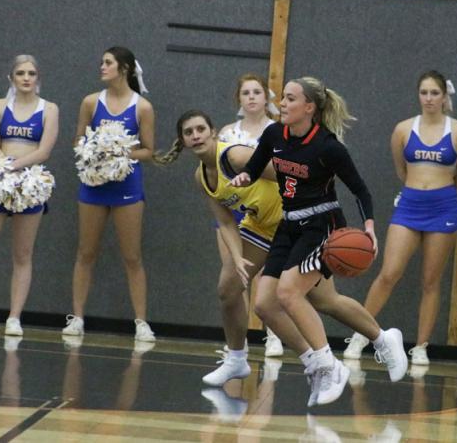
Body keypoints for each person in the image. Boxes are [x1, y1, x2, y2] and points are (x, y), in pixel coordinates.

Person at [156, 108, 406, 406]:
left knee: (323, 300)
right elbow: (225, 221)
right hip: (260, 228)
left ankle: (378, 339)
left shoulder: (235, 157)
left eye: (200, 129)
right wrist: (236, 258)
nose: (195, 136)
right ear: (183, 141)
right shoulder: (202, 177)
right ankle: (239, 359)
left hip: (295, 224)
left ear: (213, 132)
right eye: (188, 133)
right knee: (229, 288)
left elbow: (288, 170)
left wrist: (310, 215)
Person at [230, 76, 408, 405]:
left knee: (288, 292)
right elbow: (255, 168)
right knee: (268, 304)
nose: (282, 103)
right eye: (282, 98)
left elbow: (360, 189)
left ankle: (329, 365)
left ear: (309, 107)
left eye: (290, 99)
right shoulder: (273, 135)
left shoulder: (327, 146)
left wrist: (369, 226)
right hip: (290, 224)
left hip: (322, 224)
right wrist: (244, 176)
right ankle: (380, 340)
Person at [343, 70, 457, 366]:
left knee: (431, 280)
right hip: (410, 205)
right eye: (424, 92)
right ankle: (361, 336)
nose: (429, 98)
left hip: (443, 207)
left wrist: (445, 194)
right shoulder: (403, 129)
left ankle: (421, 347)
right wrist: (417, 188)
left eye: (434, 93)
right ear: (419, 95)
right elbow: (401, 169)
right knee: (389, 273)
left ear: (444, 96)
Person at [62, 46, 155, 342]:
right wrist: (94, 150)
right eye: (102, 62)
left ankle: (141, 322)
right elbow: (77, 139)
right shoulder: (91, 102)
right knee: (86, 252)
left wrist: (119, 150)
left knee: (132, 256)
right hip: (93, 184)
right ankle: (77, 318)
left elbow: (149, 151)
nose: (101, 67)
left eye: (107, 63)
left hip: (127, 187)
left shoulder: (142, 107)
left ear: (124, 68)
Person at [0, 55, 59, 336]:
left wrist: (18, 170)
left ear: (38, 78)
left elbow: (44, 150)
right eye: (20, 73)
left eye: (31, 73)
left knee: (22, 254)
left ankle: (14, 318)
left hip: (29, 186)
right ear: (11, 78)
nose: (26, 77)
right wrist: (3, 170)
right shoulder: (0, 106)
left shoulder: (49, 109)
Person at [218, 73, 283, 357]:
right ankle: (238, 342)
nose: (252, 97)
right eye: (246, 93)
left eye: (257, 91)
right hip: (234, 210)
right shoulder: (227, 133)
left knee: (268, 279)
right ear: (239, 99)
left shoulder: (278, 130)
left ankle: (274, 335)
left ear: (266, 97)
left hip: (268, 212)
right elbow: (217, 172)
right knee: (235, 277)